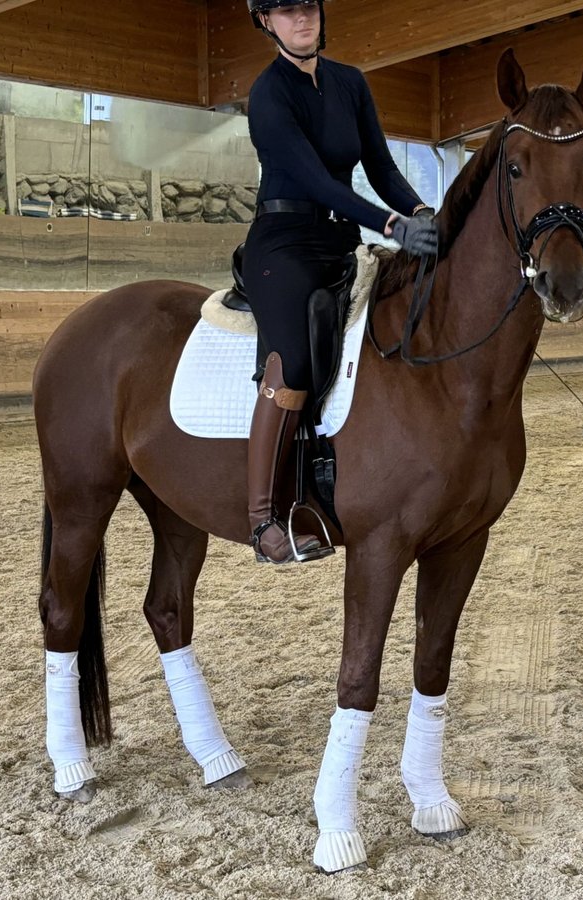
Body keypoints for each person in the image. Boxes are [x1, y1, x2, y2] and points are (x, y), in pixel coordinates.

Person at [243, 0, 438, 564]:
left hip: (340, 244)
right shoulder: (268, 93)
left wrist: (422, 211)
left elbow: (380, 166)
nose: (301, 20)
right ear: (265, 21)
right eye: (285, 11)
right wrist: (392, 224)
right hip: (283, 245)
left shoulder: (351, 84)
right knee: (296, 363)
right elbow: (313, 179)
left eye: (308, 7)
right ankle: (262, 521)